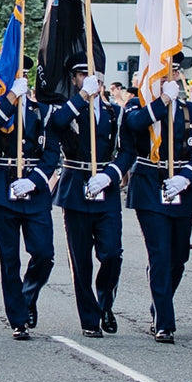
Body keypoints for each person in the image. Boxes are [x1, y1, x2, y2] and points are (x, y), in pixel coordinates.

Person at [47, 55, 137, 338]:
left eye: (95, 73)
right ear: (74, 79)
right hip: (76, 188)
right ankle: (89, 318)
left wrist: (110, 174)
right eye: (83, 74)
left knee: (112, 254)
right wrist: (83, 96)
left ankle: (104, 303)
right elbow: (55, 125)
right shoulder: (66, 108)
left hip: (106, 189)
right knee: (81, 260)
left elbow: (127, 151)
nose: (91, 77)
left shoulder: (113, 112)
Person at [122, 55, 192, 343]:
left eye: (172, 71)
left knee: (179, 256)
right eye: (162, 72)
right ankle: (164, 321)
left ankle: (160, 304)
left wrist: (187, 177)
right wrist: (161, 103)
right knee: (159, 254)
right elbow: (135, 125)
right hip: (149, 186)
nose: (169, 76)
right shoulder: (138, 105)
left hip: (179, 188)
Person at [0, 57, 59, 340]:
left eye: (24, 73)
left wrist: (34, 180)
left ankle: (28, 295)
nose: (21, 78)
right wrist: (11, 97)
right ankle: (17, 318)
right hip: (3, 189)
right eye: (15, 74)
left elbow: (51, 154)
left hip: (34, 190)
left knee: (44, 254)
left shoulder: (42, 110)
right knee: (9, 258)